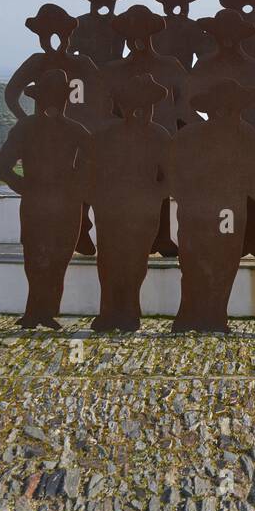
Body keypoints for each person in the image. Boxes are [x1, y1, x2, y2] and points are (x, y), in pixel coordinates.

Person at [5, 3, 113, 256]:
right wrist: (25, 120)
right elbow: (11, 93)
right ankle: (65, 231)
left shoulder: (79, 63)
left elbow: (102, 93)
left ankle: (80, 230)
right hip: (52, 136)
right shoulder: (41, 62)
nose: (55, 40)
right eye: (49, 34)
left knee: (82, 180)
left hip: (77, 133)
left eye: (58, 34)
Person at [0, 69, 90, 330]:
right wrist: (26, 187)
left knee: (56, 259)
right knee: (38, 258)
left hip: (60, 204)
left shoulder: (71, 130)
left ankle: (44, 312)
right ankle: (37, 311)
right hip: (45, 203)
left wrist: (74, 185)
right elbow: (3, 166)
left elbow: (95, 162)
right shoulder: (29, 128)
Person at [189, 8, 255, 258]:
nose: (227, 38)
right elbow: (188, 103)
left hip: (252, 139)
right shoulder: (204, 66)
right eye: (222, 33)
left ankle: (253, 236)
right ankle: (224, 233)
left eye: (232, 33)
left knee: (252, 189)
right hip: (214, 140)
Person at [169, 78, 255, 333]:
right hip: (203, 210)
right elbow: (174, 174)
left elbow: (254, 175)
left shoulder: (246, 134)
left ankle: (214, 314)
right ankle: (192, 313)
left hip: (224, 210)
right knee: (193, 263)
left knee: (223, 262)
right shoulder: (190, 136)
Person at [101, 5, 191, 256]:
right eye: (132, 33)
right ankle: (131, 234)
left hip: (164, 137)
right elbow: (103, 109)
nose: (137, 38)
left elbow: (186, 104)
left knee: (161, 186)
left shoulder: (170, 66)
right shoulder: (114, 70)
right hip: (126, 141)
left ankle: (161, 237)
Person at [85, 74, 171, 332]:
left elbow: (171, 175)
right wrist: (97, 198)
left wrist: (154, 194)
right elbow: (87, 172)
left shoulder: (159, 135)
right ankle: (109, 310)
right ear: (122, 107)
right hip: (110, 209)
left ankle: (130, 310)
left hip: (143, 210)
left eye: (145, 105)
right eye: (133, 104)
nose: (140, 111)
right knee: (109, 259)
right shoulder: (104, 136)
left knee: (135, 260)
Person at [151, 0, 212, 70]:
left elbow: (203, 55)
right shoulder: (192, 26)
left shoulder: (156, 24)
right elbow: (204, 55)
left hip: (176, 75)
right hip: (176, 75)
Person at [69, 0, 127, 68]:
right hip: (86, 73)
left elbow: (136, 51)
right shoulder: (80, 23)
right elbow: (66, 50)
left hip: (114, 73)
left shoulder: (121, 24)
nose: (105, 2)